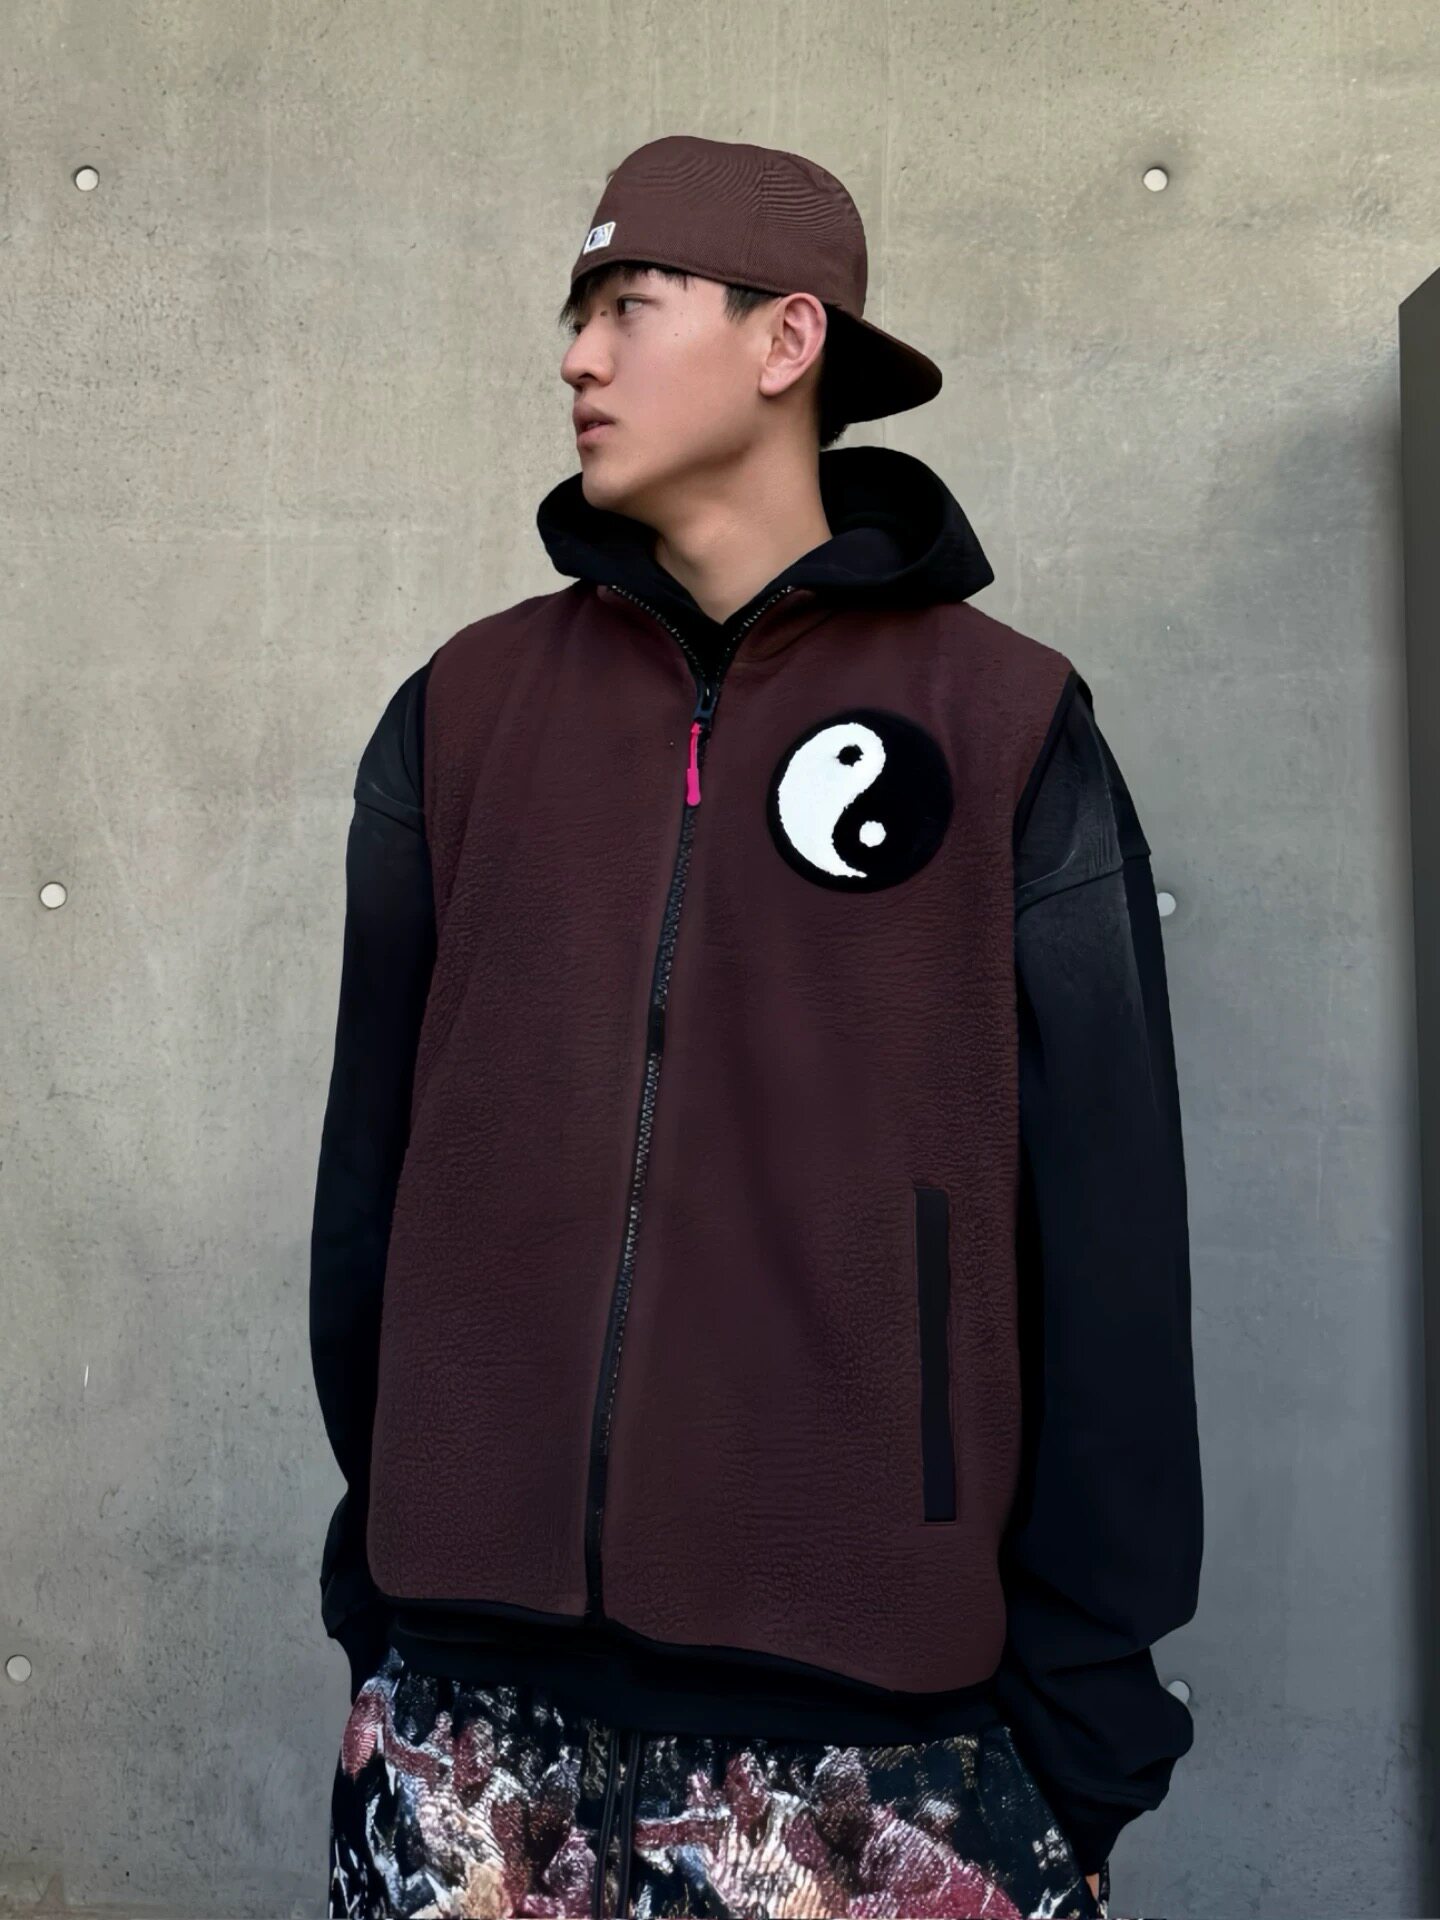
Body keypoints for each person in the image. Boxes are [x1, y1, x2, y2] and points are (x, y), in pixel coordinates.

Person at [310, 133, 1203, 1919]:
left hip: (878, 1751)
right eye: (576, 317)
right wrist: (384, 1603)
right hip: (467, 1730)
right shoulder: (466, 711)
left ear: (789, 339)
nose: (577, 357)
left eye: (628, 307)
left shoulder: (1003, 726)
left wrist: (1079, 1737)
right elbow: (371, 1187)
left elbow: (1110, 1240)